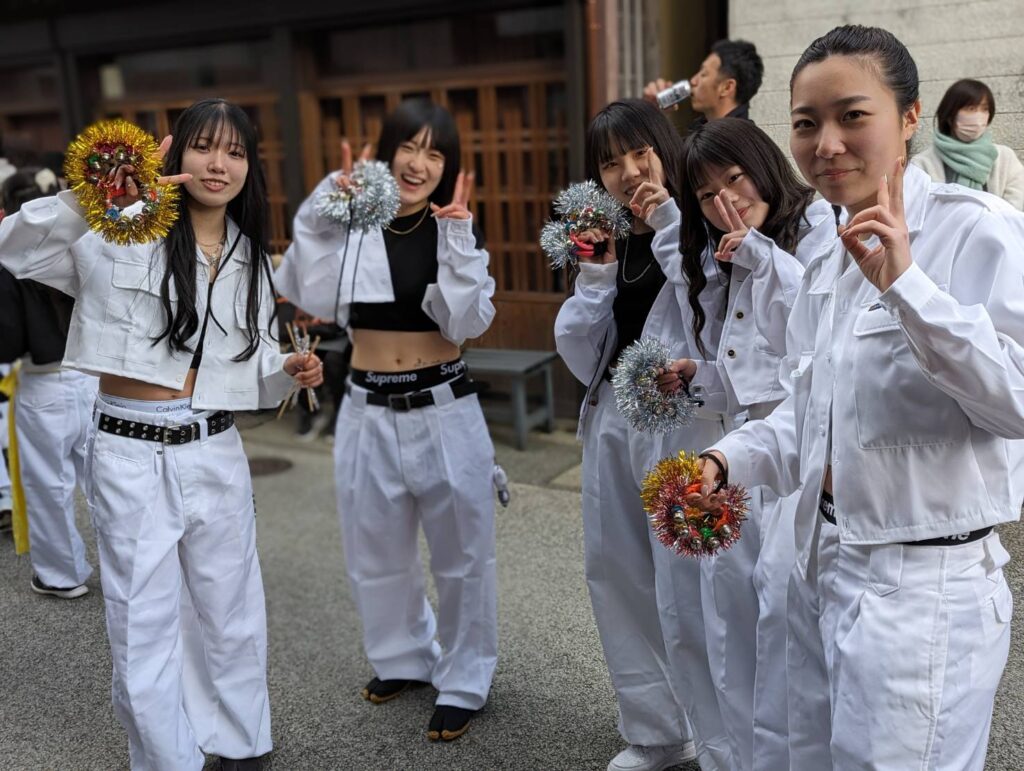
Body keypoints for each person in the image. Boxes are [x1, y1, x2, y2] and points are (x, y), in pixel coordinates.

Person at [692, 25, 1024, 770]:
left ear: (909, 117)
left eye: (853, 115)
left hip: (922, 587)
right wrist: (725, 459)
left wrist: (910, 289)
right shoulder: (827, 258)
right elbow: (811, 418)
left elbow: (1017, 403)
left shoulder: (980, 235)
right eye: (806, 124)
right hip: (820, 557)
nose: (827, 143)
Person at [0, 98, 323, 771]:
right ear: (175, 153)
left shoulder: (248, 253)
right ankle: (166, 756)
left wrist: (288, 370)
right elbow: (16, 247)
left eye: (235, 152)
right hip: (128, 445)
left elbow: (255, 369)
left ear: (248, 167)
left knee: (231, 607)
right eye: (205, 146)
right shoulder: (121, 226)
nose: (219, 163)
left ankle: (239, 741)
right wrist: (105, 192)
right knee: (143, 617)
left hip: (214, 445)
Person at [275, 98, 498, 742]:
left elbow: (467, 323)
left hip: (444, 406)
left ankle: (464, 677)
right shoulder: (352, 225)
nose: (420, 163)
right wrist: (325, 208)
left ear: (448, 166)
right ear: (385, 151)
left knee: (463, 554)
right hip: (368, 405)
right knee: (376, 548)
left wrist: (457, 240)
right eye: (410, 146)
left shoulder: (455, 225)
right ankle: (403, 656)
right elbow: (308, 289)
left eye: (436, 152)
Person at [650, 117, 834, 771]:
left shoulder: (817, 232)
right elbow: (753, 373)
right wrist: (700, 379)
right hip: (738, 454)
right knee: (730, 624)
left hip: (798, 460)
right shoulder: (729, 252)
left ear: (765, 165)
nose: (726, 197)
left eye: (736, 176)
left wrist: (759, 253)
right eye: (705, 193)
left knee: (791, 634)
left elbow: (811, 348)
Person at [554, 98, 709, 771]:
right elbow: (582, 352)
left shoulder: (703, 218)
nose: (627, 170)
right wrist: (593, 272)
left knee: (693, 577)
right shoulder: (613, 239)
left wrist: (670, 220)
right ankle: (657, 730)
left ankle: (720, 722)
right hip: (617, 416)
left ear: (664, 147)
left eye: (638, 152)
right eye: (610, 161)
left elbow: (712, 307)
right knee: (617, 570)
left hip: (688, 421)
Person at [0, 169, 97, 598]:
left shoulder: (11, 254)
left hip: (42, 385)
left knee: (48, 486)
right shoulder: (86, 236)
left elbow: (6, 340)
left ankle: (63, 574)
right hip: (95, 379)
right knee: (104, 483)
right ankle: (125, 568)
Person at [911, 78, 1024, 209]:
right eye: (971, 108)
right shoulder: (922, 164)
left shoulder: (1005, 158)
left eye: (984, 109)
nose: (978, 116)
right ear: (950, 115)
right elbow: (921, 211)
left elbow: (1016, 205)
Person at [643, 39, 764, 125]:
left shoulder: (738, 143)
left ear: (727, 87)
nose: (693, 81)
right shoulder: (702, 131)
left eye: (704, 74)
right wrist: (654, 114)